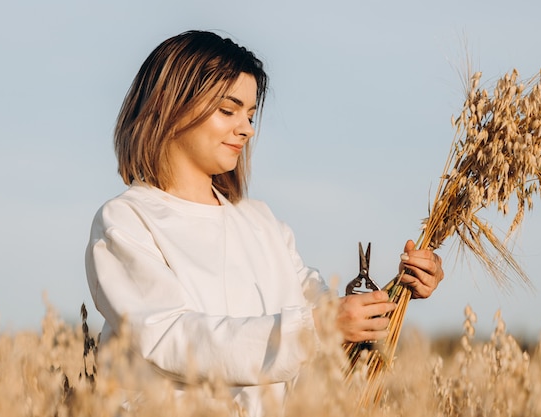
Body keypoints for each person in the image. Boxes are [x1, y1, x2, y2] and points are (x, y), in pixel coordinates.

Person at [85, 30, 444, 416]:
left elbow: (325, 313)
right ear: (168, 104)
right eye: (228, 110)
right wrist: (320, 329)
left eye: (251, 114)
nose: (247, 128)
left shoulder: (262, 223)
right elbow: (171, 338)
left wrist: (396, 293)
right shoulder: (126, 221)